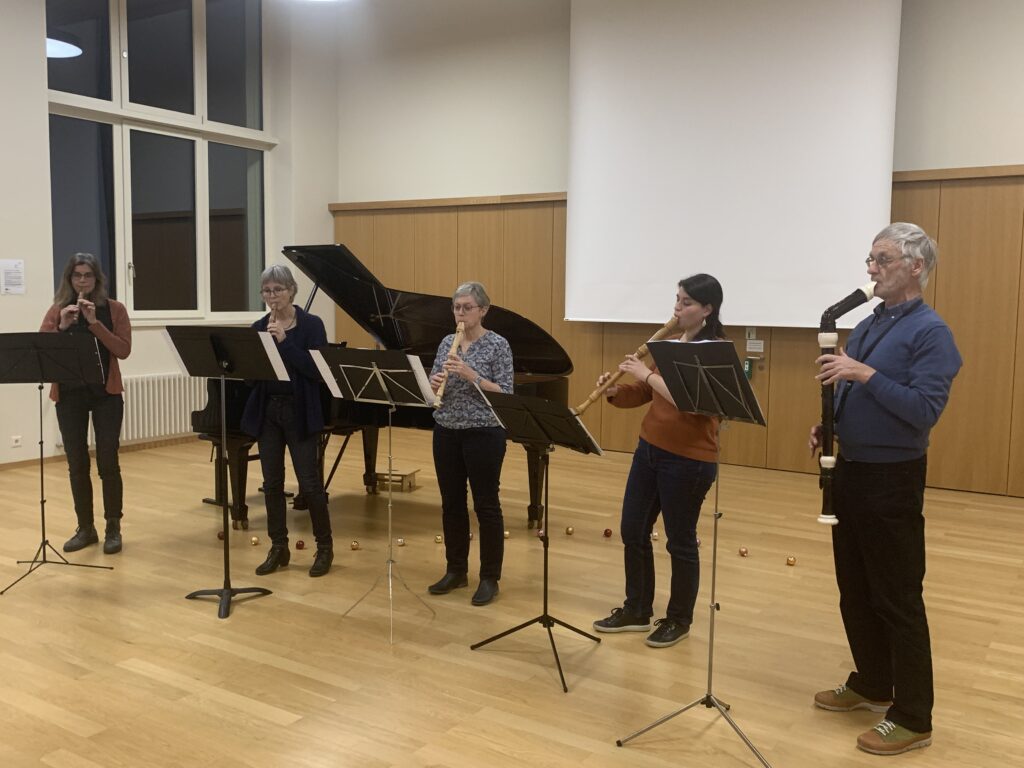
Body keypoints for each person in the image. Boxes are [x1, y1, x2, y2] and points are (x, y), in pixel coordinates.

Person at [809, 223, 961, 756]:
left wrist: (862, 374)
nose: (871, 269)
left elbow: (923, 410)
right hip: (851, 469)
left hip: (892, 478)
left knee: (897, 597)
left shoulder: (932, 333)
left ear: (915, 267)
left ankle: (914, 716)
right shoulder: (872, 322)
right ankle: (874, 682)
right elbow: (853, 390)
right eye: (870, 260)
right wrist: (831, 423)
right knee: (854, 587)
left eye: (882, 259)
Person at [593, 274, 723, 648]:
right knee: (633, 529)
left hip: (689, 459)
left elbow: (693, 402)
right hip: (650, 449)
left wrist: (646, 375)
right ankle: (636, 609)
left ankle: (679, 619)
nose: (677, 308)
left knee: (680, 541)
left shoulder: (713, 351)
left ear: (707, 309)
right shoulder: (671, 344)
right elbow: (647, 393)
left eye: (686, 302)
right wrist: (616, 391)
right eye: (677, 300)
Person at [241, 265, 334, 577]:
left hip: (299, 411)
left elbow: (317, 371)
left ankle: (324, 548)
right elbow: (251, 378)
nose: (272, 296)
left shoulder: (311, 325)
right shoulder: (258, 327)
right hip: (268, 411)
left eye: (278, 290)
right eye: (267, 291)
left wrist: (285, 343)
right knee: (271, 483)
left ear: (291, 290)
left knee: (309, 483)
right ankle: (278, 547)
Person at [426, 282, 514, 606]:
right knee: (451, 503)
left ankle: (490, 577)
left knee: (486, 505)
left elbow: (505, 392)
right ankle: (456, 570)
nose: (460, 313)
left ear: (483, 310)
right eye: (456, 307)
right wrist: (434, 383)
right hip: (446, 428)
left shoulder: (498, 345)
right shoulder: (446, 342)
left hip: (484, 431)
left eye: (467, 307)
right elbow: (434, 386)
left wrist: (470, 374)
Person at [40, 253, 132, 555]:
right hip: (70, 395)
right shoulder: (58, 309)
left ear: (97, 279)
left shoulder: (115, 309)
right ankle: (85, 528)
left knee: (108, 462)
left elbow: (123, 350)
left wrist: (94, 323)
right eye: (77, 275)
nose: (82, 281)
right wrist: (62, 326)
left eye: (88, 275)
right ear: (69, 279)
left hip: (106, 395)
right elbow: (42, 349)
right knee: (77, 464)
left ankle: (113, 527)